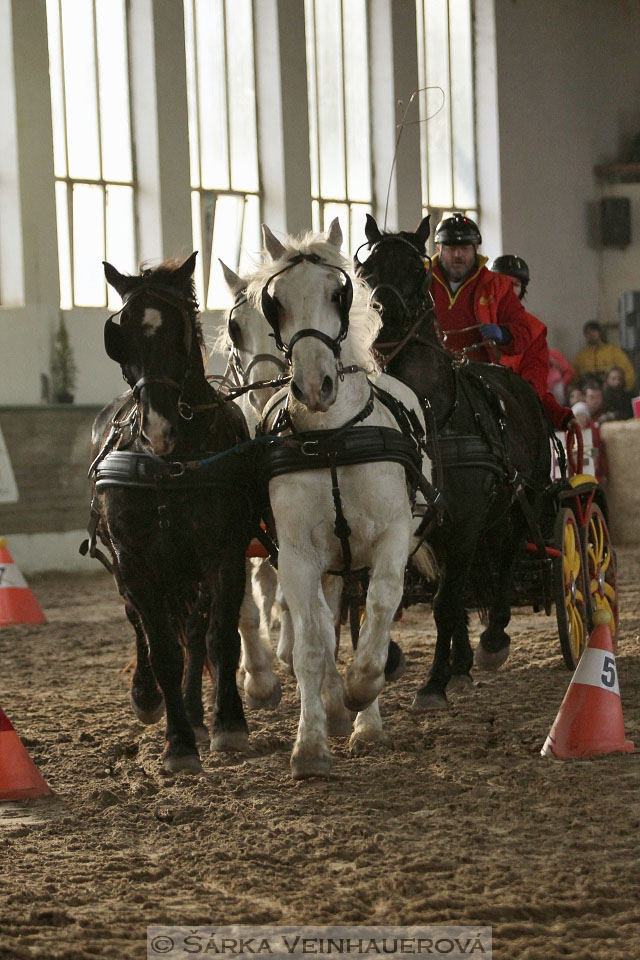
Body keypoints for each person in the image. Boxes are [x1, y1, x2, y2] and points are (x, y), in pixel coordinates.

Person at [486, 254, 574, 430]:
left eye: (516, 285)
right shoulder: (472, 318)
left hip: (513, 410)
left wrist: (560, 415)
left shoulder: (534, 331)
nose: (509, 289)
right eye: (503, 282)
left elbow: (534, 385)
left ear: (522, 290)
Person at [430, 215, 532, 363]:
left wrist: (503, 335)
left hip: (478, 370)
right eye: (451, 248)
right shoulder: (421, 281)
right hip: (429, 366)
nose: (458, 254)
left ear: (476, 248)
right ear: (439, 248)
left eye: (464, 248)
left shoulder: (497, 285)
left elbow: (523, 332)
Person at [572, 321, 635, 391]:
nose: (591, 334)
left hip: (612, 393)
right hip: (589, 394)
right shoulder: (580, 357)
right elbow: (574, 378)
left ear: (600, 332)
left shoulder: (614, 351)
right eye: (587, 332)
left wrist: (625, 390)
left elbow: (628, 372)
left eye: (593, 330)